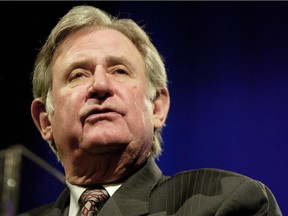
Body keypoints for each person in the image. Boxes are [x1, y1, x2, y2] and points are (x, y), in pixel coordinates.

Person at [19, 5, 282, 216]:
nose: (100, 84)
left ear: (157, 107)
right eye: (78, 75)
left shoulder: (225, 201)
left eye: (120, 70)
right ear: (45, 121)